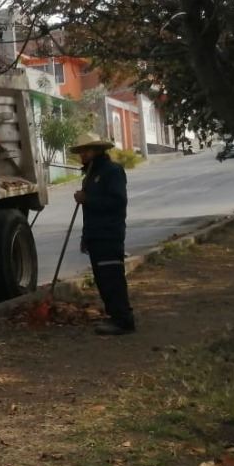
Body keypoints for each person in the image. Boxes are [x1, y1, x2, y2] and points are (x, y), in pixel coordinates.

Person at [71, 133, 136, 335]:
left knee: (112, 278)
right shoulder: (90, 175)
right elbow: (88, 213)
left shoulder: (112, 171)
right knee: (102, 279)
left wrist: (87, 199)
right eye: (81, 151)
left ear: (96, 151)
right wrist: (85, 236)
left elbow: (117, 202)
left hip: (109, 234)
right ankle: (114, 316)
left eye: (85, 150)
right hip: (96, 235)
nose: (82, 154)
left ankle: (123, 320)